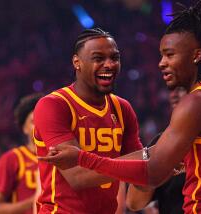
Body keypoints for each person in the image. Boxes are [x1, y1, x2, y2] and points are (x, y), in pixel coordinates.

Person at [39, 1, 201, 213]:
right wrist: (158, 154)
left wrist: (156, 156)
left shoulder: (196, 102)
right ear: (76, 62)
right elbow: (129, 183)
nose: (161, 63)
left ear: (196, 55)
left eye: (169, 55)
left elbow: (150, 172)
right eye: (98, 58)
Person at [33, 28, 143, 213]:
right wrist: (149, 156)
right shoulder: (54, 105)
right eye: (98, 58)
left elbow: (141, 171)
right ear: (77, 62)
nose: (109, 64)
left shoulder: (122, 108)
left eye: (114, 58)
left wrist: (158, 164)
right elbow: (77, 176)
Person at [0, 93, 43, 214]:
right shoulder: (12, 159)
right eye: (33, 122)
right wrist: (37, 199)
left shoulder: (64, 156)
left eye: (44, 120)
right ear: (24, 128)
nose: (40, 126)